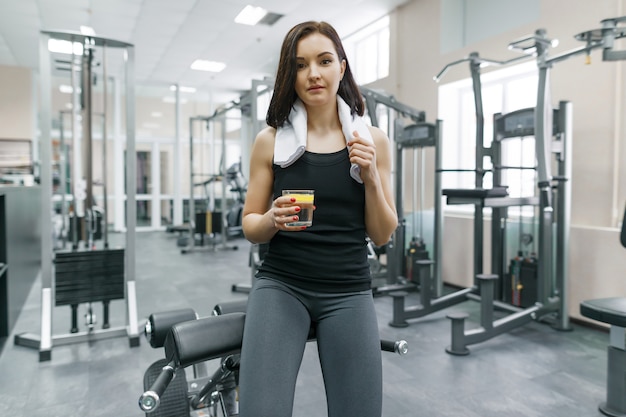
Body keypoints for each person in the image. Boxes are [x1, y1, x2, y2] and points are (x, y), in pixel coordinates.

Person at [239, 20, 398, 417]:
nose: (313, 74)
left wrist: (372, 179)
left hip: (348, 289)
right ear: (289, 75)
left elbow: (382, 234)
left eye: (324, 61)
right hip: (282, 286)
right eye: (300, 65)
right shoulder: (270, 141)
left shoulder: (372, 140)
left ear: (341, 68)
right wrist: (273, 219)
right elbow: (250, 227)